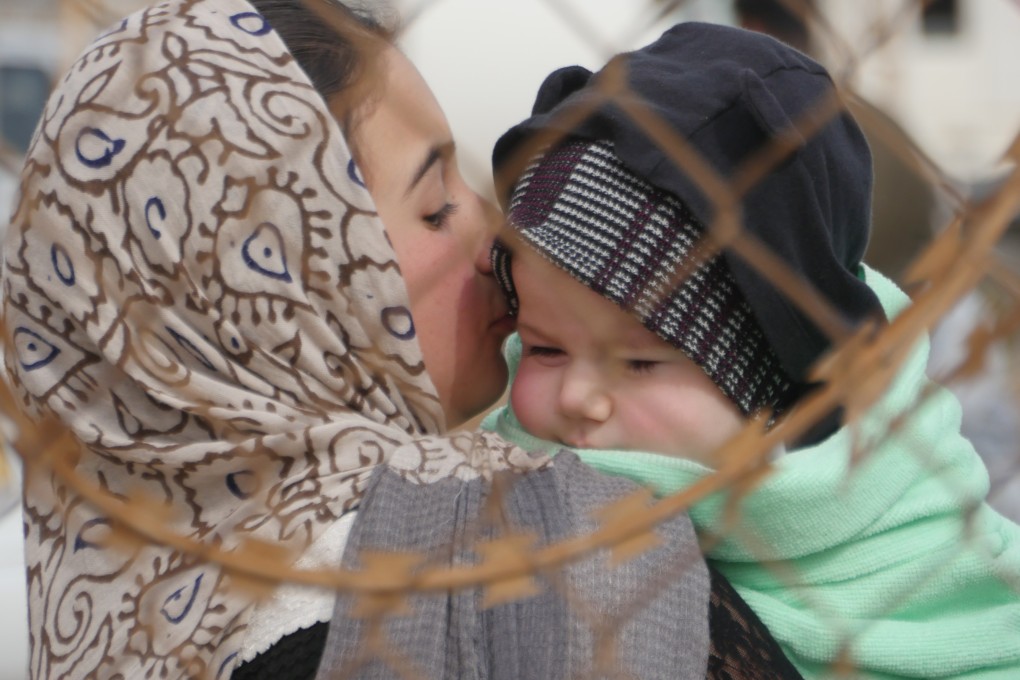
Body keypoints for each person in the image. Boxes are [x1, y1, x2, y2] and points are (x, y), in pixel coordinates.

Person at [2, 1, 801, 679]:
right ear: (278, 286)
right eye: (435, 206)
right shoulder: (546, 556)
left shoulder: (81, 601)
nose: (497, 237)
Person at [483, 22, 1020, 679]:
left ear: (773, 383)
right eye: (542, 348)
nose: (577, 398)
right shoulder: (483, 499)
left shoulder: (937, 564)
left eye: (640, 362)